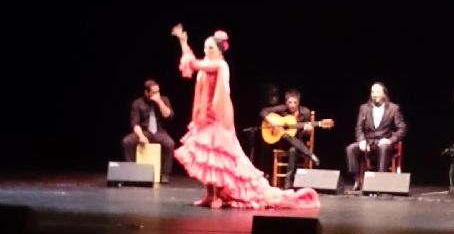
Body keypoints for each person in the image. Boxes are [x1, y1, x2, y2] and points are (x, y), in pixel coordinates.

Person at [170, 23, 319, 209]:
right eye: (205, 48)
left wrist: (185, 43)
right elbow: (191, 66)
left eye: (210, 48)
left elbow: (200, 66)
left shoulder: (221, 65)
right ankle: (209, 193)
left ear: (219, 50)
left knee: (218, 158)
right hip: (205, 117)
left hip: (218, 118)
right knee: (207, 157)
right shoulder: (207, 64)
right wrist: (183, 43)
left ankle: (217, 194)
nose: (206, 51)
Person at [345, 82, 407, 191]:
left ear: (384, 94)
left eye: (378, 92)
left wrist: (389, 140)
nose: (375, 94)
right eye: (373, 92)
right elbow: (359, 128)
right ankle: (357, 180)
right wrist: (362, 140)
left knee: (383, 147)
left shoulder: (393, 108)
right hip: (368, 142)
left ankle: (380, 181)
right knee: (350, 149)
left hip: (384, 143)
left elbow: (402, 128)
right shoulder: (364, 108)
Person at [260, 88, 320, 189]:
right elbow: (263, 111)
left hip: (298, 142)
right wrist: (271, 120)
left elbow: (304, 135)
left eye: (294, 102)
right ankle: (310, 154)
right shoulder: (283, 109)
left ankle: (288, 182)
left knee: (293, 150)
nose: (292, 105)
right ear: (286, 102)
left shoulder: (305, 112)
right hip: (283, 142)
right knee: (284, 135)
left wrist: (306, 130)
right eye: (289, 102)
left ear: (299, 102)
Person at [122, 79, 175, 184]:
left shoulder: (164, 100)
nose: (157, 94)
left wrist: (159, 101)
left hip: (159, 132)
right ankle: (131, 172)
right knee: (127, 142)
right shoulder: (137, 103)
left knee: (170, 144)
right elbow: (135, 124)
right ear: (146, 92)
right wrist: (141, 136)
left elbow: (169, 116)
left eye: (158, 91)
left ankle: (164, 174)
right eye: (154, 92)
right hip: (144, 131)